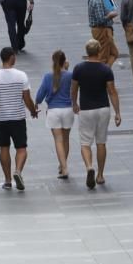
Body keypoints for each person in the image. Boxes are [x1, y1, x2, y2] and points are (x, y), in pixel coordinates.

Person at [0, 47, 39, 191]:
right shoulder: (21, 76)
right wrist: (33, 111)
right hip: (17, 117)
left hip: (0, 118)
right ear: (12, 57)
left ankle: (7, 180)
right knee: (21, 148)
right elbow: (27, 98)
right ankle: (18, 171)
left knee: (4, 147)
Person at [71, 39, 121, 189]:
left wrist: (74, 103)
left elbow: (74, 89)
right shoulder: (106, 69)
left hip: (86, 109)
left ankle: (89, 167)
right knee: (101, 142)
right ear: (99, 51)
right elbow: (112, 92)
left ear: (87, 52)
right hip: (103, 109)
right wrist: (117, 112)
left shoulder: (78, 68)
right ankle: (100, 175)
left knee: (85, 143)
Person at [35, 50, 74, 179]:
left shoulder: (48, 76)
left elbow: (40, 94)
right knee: (66, 139)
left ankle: (64, 168)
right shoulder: (70, 75)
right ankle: (63, 165)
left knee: (58, 140)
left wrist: (36, 104)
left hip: (53, 111)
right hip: (68, 109)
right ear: (64, 61)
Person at [88, 0, 120, 66]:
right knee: (103, 57)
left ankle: (105, 73)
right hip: (102, 30)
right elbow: (100, 20)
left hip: (105, 30)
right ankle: (102, 75)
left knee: (114, 53)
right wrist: (110, 15)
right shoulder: (97, 0)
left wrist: (111, 11)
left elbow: (112, 11)